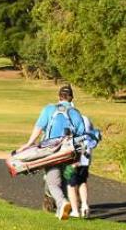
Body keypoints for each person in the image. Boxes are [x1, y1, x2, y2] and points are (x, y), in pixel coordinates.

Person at [22, 85, 87, 220]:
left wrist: (28, 144)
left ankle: (62, 203)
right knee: (64, 180)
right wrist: (78, 158)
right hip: (69, 152)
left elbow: (39, 128)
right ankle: (61, 208)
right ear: (71, 98)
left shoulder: (49, 109)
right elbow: (81, 138)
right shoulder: (76, 113)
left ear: (59, 97)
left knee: (52, 182)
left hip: (51, 151)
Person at [66, 113, 100, 220]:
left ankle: (75, 210)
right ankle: (85, 205)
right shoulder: (86, 118)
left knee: (71, 184)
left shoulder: (70, 121)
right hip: (86, 157)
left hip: (74, 157)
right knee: (82, 181)